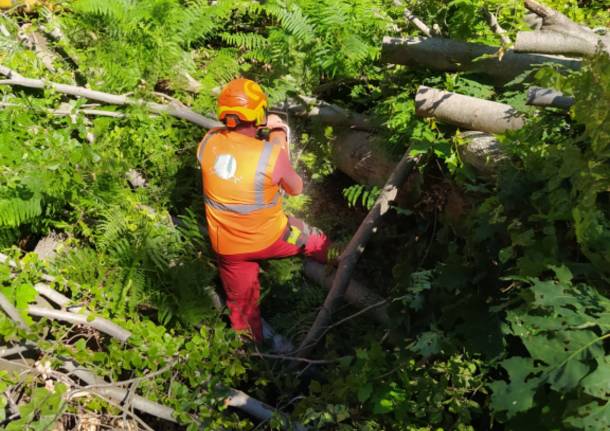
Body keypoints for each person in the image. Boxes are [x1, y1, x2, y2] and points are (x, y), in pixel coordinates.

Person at [197, 78, 330, 343]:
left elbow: (228, 143)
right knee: (310, 237)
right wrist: (278, 136)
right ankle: (340, 256)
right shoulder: (271, 155)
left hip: (229, 249)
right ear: (259, 114)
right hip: (273, 238)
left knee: (242, 310)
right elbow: (296, 188)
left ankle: (253, 359)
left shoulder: (209, 142)